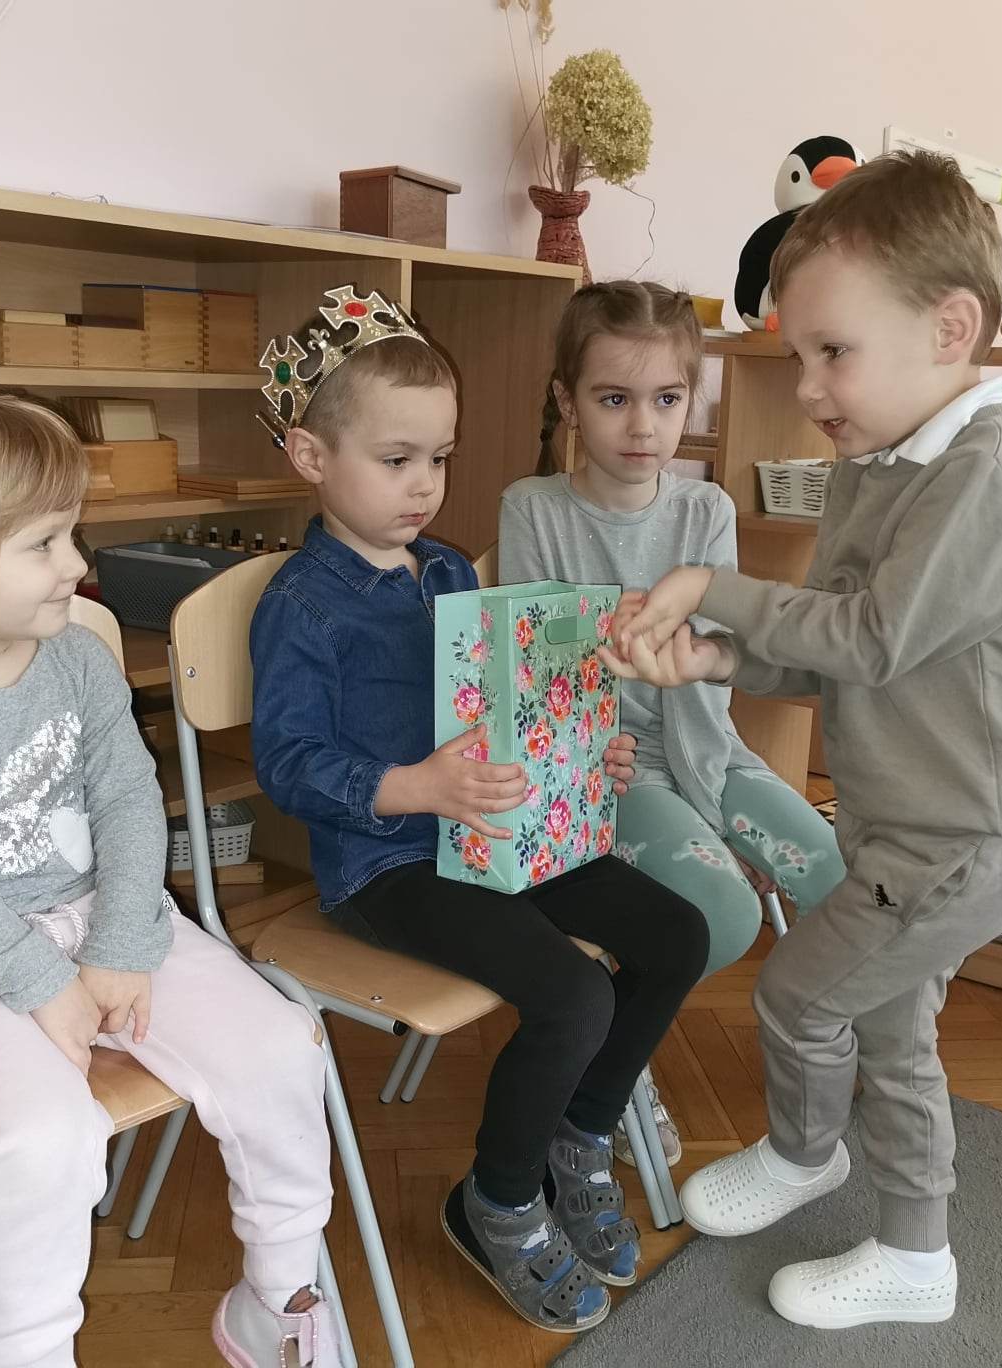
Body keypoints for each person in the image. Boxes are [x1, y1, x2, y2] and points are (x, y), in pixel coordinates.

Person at [605, 151, 1002, 1329]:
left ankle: (811, 1159)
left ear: (951, 328)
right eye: (799, 357)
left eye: (835, 352)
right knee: (887, 1021)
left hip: (970, 834)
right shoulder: (880, 465)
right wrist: (718, 658)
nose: (813, 387)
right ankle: (902, 1237)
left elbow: (874, 638)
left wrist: (713, 587)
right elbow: (837, 647)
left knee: (800, 997)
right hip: (911, 817)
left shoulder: (992, 478)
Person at [0, 383, 341, 1368]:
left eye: (71, 534)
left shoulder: (79, 656)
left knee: (281, 1048)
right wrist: (42, 983)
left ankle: (279, 1295)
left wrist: (123, 941)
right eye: (44, 543)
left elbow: (129, 799)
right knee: (41, 1140)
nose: (79, 565)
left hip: (103, 921)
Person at [249, 286, 708, 1333]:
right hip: (387, 868)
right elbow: (288, 765)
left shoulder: (450, 569)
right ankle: (495, 1201)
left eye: (440, 459)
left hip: (503, 833)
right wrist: (415, 787)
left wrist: (585, 751)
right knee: (574, 995)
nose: (425, 485)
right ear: (312, 457)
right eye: (397, 459)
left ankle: (578, 1134)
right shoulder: (302, 605)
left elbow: (516, 700)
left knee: (674, 935)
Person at [500, 279, 846, 1164]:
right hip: (608, 768)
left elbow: (720, 653)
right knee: (722, 917)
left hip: (710, 752)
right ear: (568, 401)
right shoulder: (533, 507)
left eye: (665, 399)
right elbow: (531, 672)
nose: (642, 427)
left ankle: (834, 1070)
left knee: (840, 879)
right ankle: (612, 1071)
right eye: (614, 399)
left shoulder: (706, 510)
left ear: (693, 400)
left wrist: (716, 811)